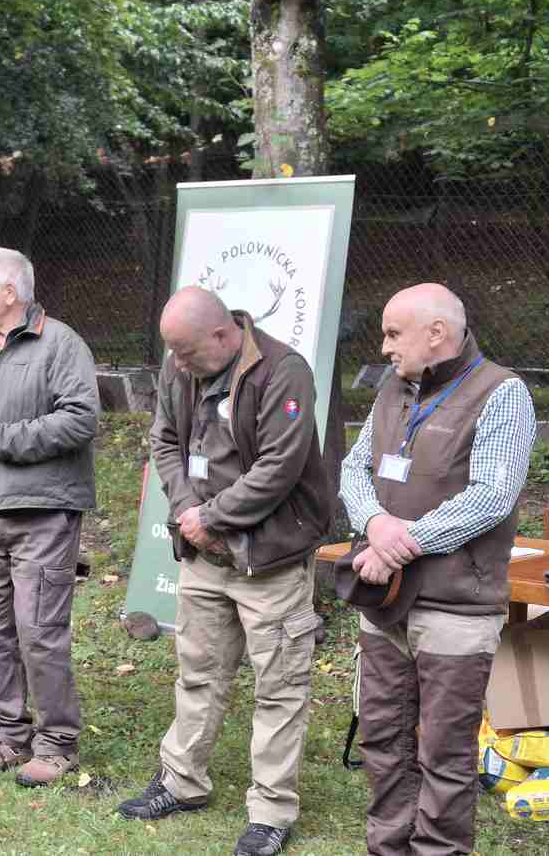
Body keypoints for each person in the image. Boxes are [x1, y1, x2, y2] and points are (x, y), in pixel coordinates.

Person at [116, 286, 329, 856]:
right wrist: (190, 511)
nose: (178, 364)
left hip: (270, 559)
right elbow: (164, 440)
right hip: (204, 555)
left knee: (279, 687)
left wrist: (213, 518)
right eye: (173, 353)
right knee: (199, 672)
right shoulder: (181, 363)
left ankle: (271, 811)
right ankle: (182, 782)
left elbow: (279, 467)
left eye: (187, 352)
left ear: (222, 334)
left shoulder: (284, 372)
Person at [338, 283, 536, 856]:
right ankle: (388, 848)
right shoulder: (392, 389)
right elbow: (354, 469)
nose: (383, 347)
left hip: (455, 609)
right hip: (384, 602)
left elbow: (490, 497)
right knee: (383, 743)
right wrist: (375, 524)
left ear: (437, 333)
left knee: (445, 755)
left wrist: (398, 545)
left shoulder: (502, 393)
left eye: (393, 333)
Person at [0, 247, 100, 788]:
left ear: (10, 292)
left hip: (43, 514)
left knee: (39, 631)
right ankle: (9, 737)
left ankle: (57, 745)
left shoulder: (61, 343)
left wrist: (0, 443)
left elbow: (80, 420)